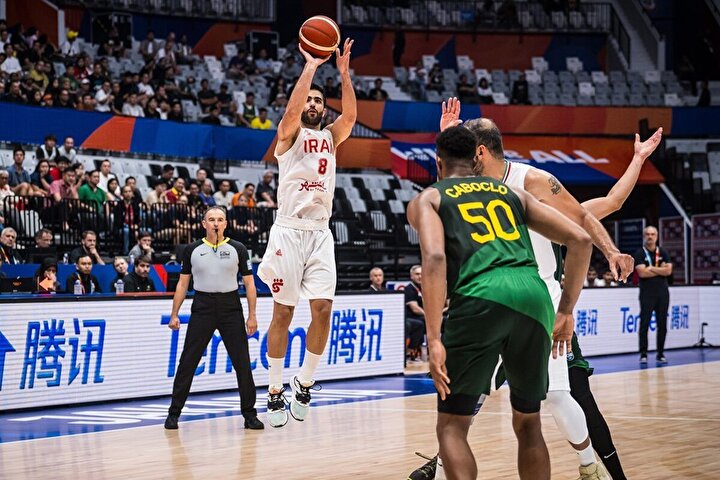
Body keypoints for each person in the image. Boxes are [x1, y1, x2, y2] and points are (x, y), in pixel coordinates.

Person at [411, 98, 661, 480]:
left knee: (545, 398)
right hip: (527, 301)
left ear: (479, 152)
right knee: (499, 408)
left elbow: (589, 214)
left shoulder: (530, 184)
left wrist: (609, 252)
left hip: (522, 295)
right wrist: (448, 136)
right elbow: (579, 234)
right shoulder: (496, 193)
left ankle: (590, 465)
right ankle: (440, 463)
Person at [407, 126, 593, 480]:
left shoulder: (429, 198)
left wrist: (433, 338)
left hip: (481, 295)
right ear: (475, 158)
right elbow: (580, 239)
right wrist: (566, 310)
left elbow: (433, 258)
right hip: (534, 296)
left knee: (451, 426)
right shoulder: (512, 193)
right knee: (528, 421)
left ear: (438, 163)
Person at [257, 38, 356, 428]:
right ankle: (275, 389)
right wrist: (311, 67)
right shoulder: (289, 137)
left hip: (320, 233)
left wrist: (344, 74)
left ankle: (305, 382)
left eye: (319, 101)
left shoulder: (331, 137)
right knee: (283, 312)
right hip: (288, 231)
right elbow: (290, 113)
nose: (313, 104)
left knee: (324, 310)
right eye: (309, 100)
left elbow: (348, 117)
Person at [164, 206, 263, 430]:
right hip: (202, 306)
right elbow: (182, 283)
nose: (216, 223)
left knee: (242, 363)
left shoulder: (238, 248)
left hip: (230, 307)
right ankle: (173, 413)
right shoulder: (192, 249)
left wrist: (252, 315)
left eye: (220, 219)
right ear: (203, 224)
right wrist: (174, 313)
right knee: (188, 361)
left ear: (226, 224)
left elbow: (249, 284)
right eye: (211, 219)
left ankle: (249, 414)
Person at [633, 226, 672, 364]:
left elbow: (668, 272)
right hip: (647, 293)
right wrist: (660, 269)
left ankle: (660, 353)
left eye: (653, 234)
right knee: (644, 323)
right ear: (644, 236)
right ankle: (643, 353)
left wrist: (651, 268)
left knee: (662, 324)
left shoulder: (663, 252)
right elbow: (642, 273)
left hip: (662, 293)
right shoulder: (639, 253)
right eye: (647, 234)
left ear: (657, 236)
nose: (650, 236)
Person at [405, 265, 425, 362]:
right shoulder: (409, 289)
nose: (420, 276)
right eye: (417, 274)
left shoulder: (424, 288)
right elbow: (415, 309)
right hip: (411, 317)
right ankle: (410, 352)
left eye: (421, 274)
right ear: (411, 276)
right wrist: (430, 317)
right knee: (420, 323)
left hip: (421, 317)